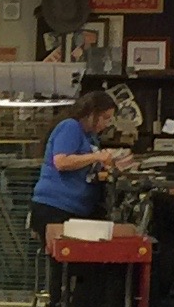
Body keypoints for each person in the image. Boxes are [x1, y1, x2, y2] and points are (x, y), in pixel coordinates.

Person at [32, 85, 130, 244]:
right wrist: (96, 156)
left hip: (75, 209)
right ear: (92, 113)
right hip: (56, 208)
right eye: (105, 117)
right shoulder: (70, 127)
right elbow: (61, 162)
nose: (107, 123)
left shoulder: (91, 137)